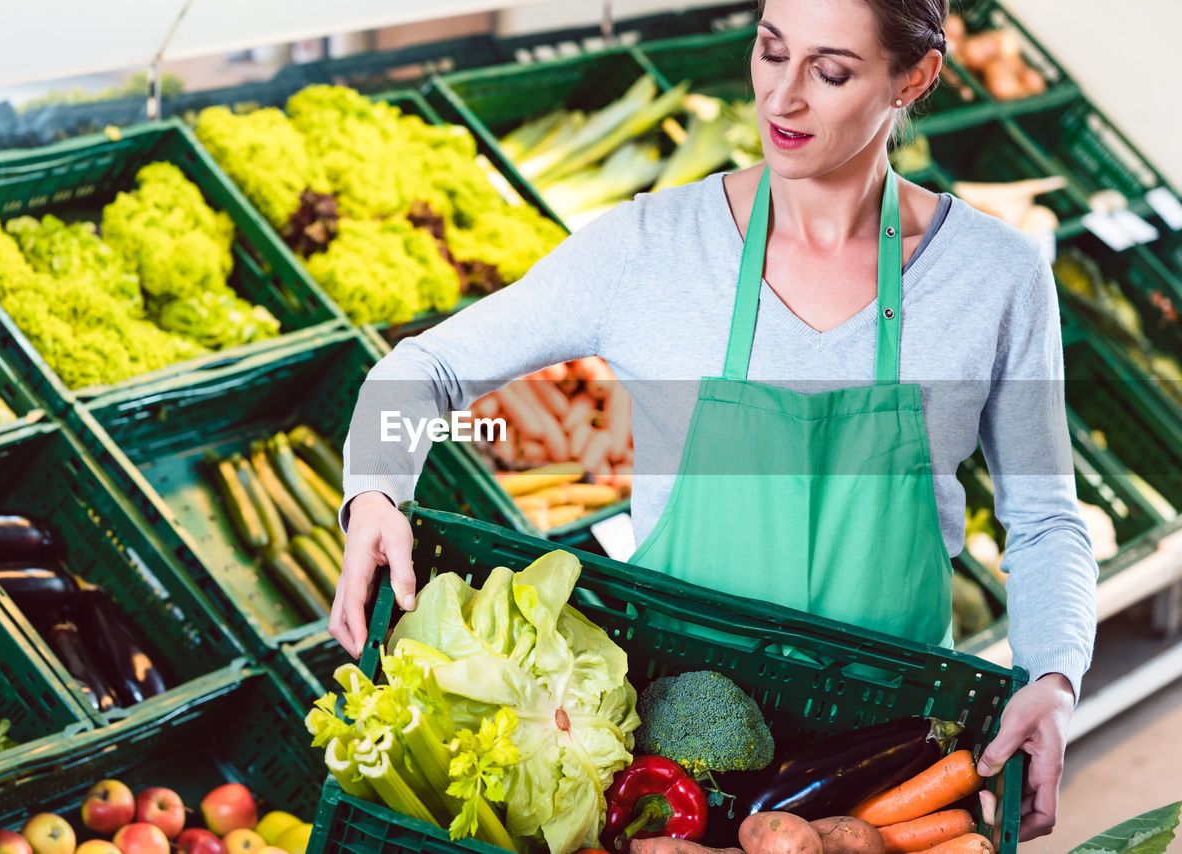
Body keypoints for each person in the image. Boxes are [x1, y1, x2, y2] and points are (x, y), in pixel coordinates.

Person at [330, 0, 1096, 842]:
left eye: (830, 71)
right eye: (771, 51)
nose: (782, 98)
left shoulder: (995, 277)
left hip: (890, 764)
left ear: (914, 78)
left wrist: (1055, 677)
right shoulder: (652, 249)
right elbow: (424, 371)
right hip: (662, 766)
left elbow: (1044, 519)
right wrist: (372, 496)